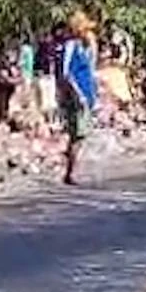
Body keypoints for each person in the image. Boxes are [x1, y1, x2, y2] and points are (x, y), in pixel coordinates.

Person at [58, 12, 100, 185]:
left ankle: (71, 169)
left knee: (81, 134)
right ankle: (70, 172)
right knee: (78, 134)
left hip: (86, 93)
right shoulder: (71, 46)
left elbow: (90, 70)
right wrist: (78, 94)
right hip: (76, 95)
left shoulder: (84, 48)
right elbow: (66, 73)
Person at [0, 44, 23, 126]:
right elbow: (3, 79)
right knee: (2, 115)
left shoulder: (6, 62)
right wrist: (18, 81)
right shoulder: (0, 63)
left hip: (6, 94)